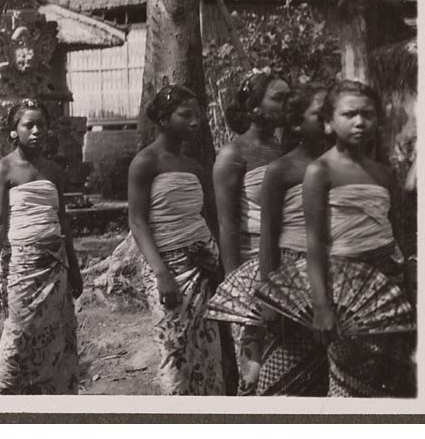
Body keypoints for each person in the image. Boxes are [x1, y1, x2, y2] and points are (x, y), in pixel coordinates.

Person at [302, 80, 415, 397]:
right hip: (347, 287)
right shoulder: (320, 171)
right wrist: (321, 306)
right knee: (350, 380)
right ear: (328, 122)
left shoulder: (382, 172)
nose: (360, 121)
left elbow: (394, 229)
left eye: (368, 114)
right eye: (349, 114)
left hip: (388, 282)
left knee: (391, 377)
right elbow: (316, 244)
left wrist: (407, 272)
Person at [127, 84, 225, 396]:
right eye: (186, 115)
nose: (195, 122)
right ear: (164, 119)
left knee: (206, 352)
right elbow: (138, 222)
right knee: (174, 352)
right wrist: (162, 274)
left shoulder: (195, 168)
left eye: (199, 116)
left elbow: (206, 218)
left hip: (202, 268)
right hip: (167, 268)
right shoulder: (146, 162)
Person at [0, 99, 83, 395]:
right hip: (21, 264)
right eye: (28, 125)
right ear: (13, 131)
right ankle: (1, 398)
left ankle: (52, 400)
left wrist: (74, 267)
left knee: (57, 332)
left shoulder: (53, 170)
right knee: (19, 332)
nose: (37, 131)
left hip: (56, 263)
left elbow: (62, 221)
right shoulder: (3, 170)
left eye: (42, 125)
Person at [212, 71, 290, 394]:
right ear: (254, 108)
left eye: (290, 97)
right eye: (279, 98)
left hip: (286, 260)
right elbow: (227, 225)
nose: (287, 105)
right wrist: (237, 288)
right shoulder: (234, 155)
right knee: (254, 367)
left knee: (283, 357)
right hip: (249, 267)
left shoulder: (285, 149)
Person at [253, 83, 330, 396]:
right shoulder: (281, 170)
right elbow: (268, 236)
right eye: (321, 113)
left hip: (336, 272)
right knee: (285, 373)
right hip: (293, 278)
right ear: (297, 123)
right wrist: (269, 298)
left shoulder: (343, 165)